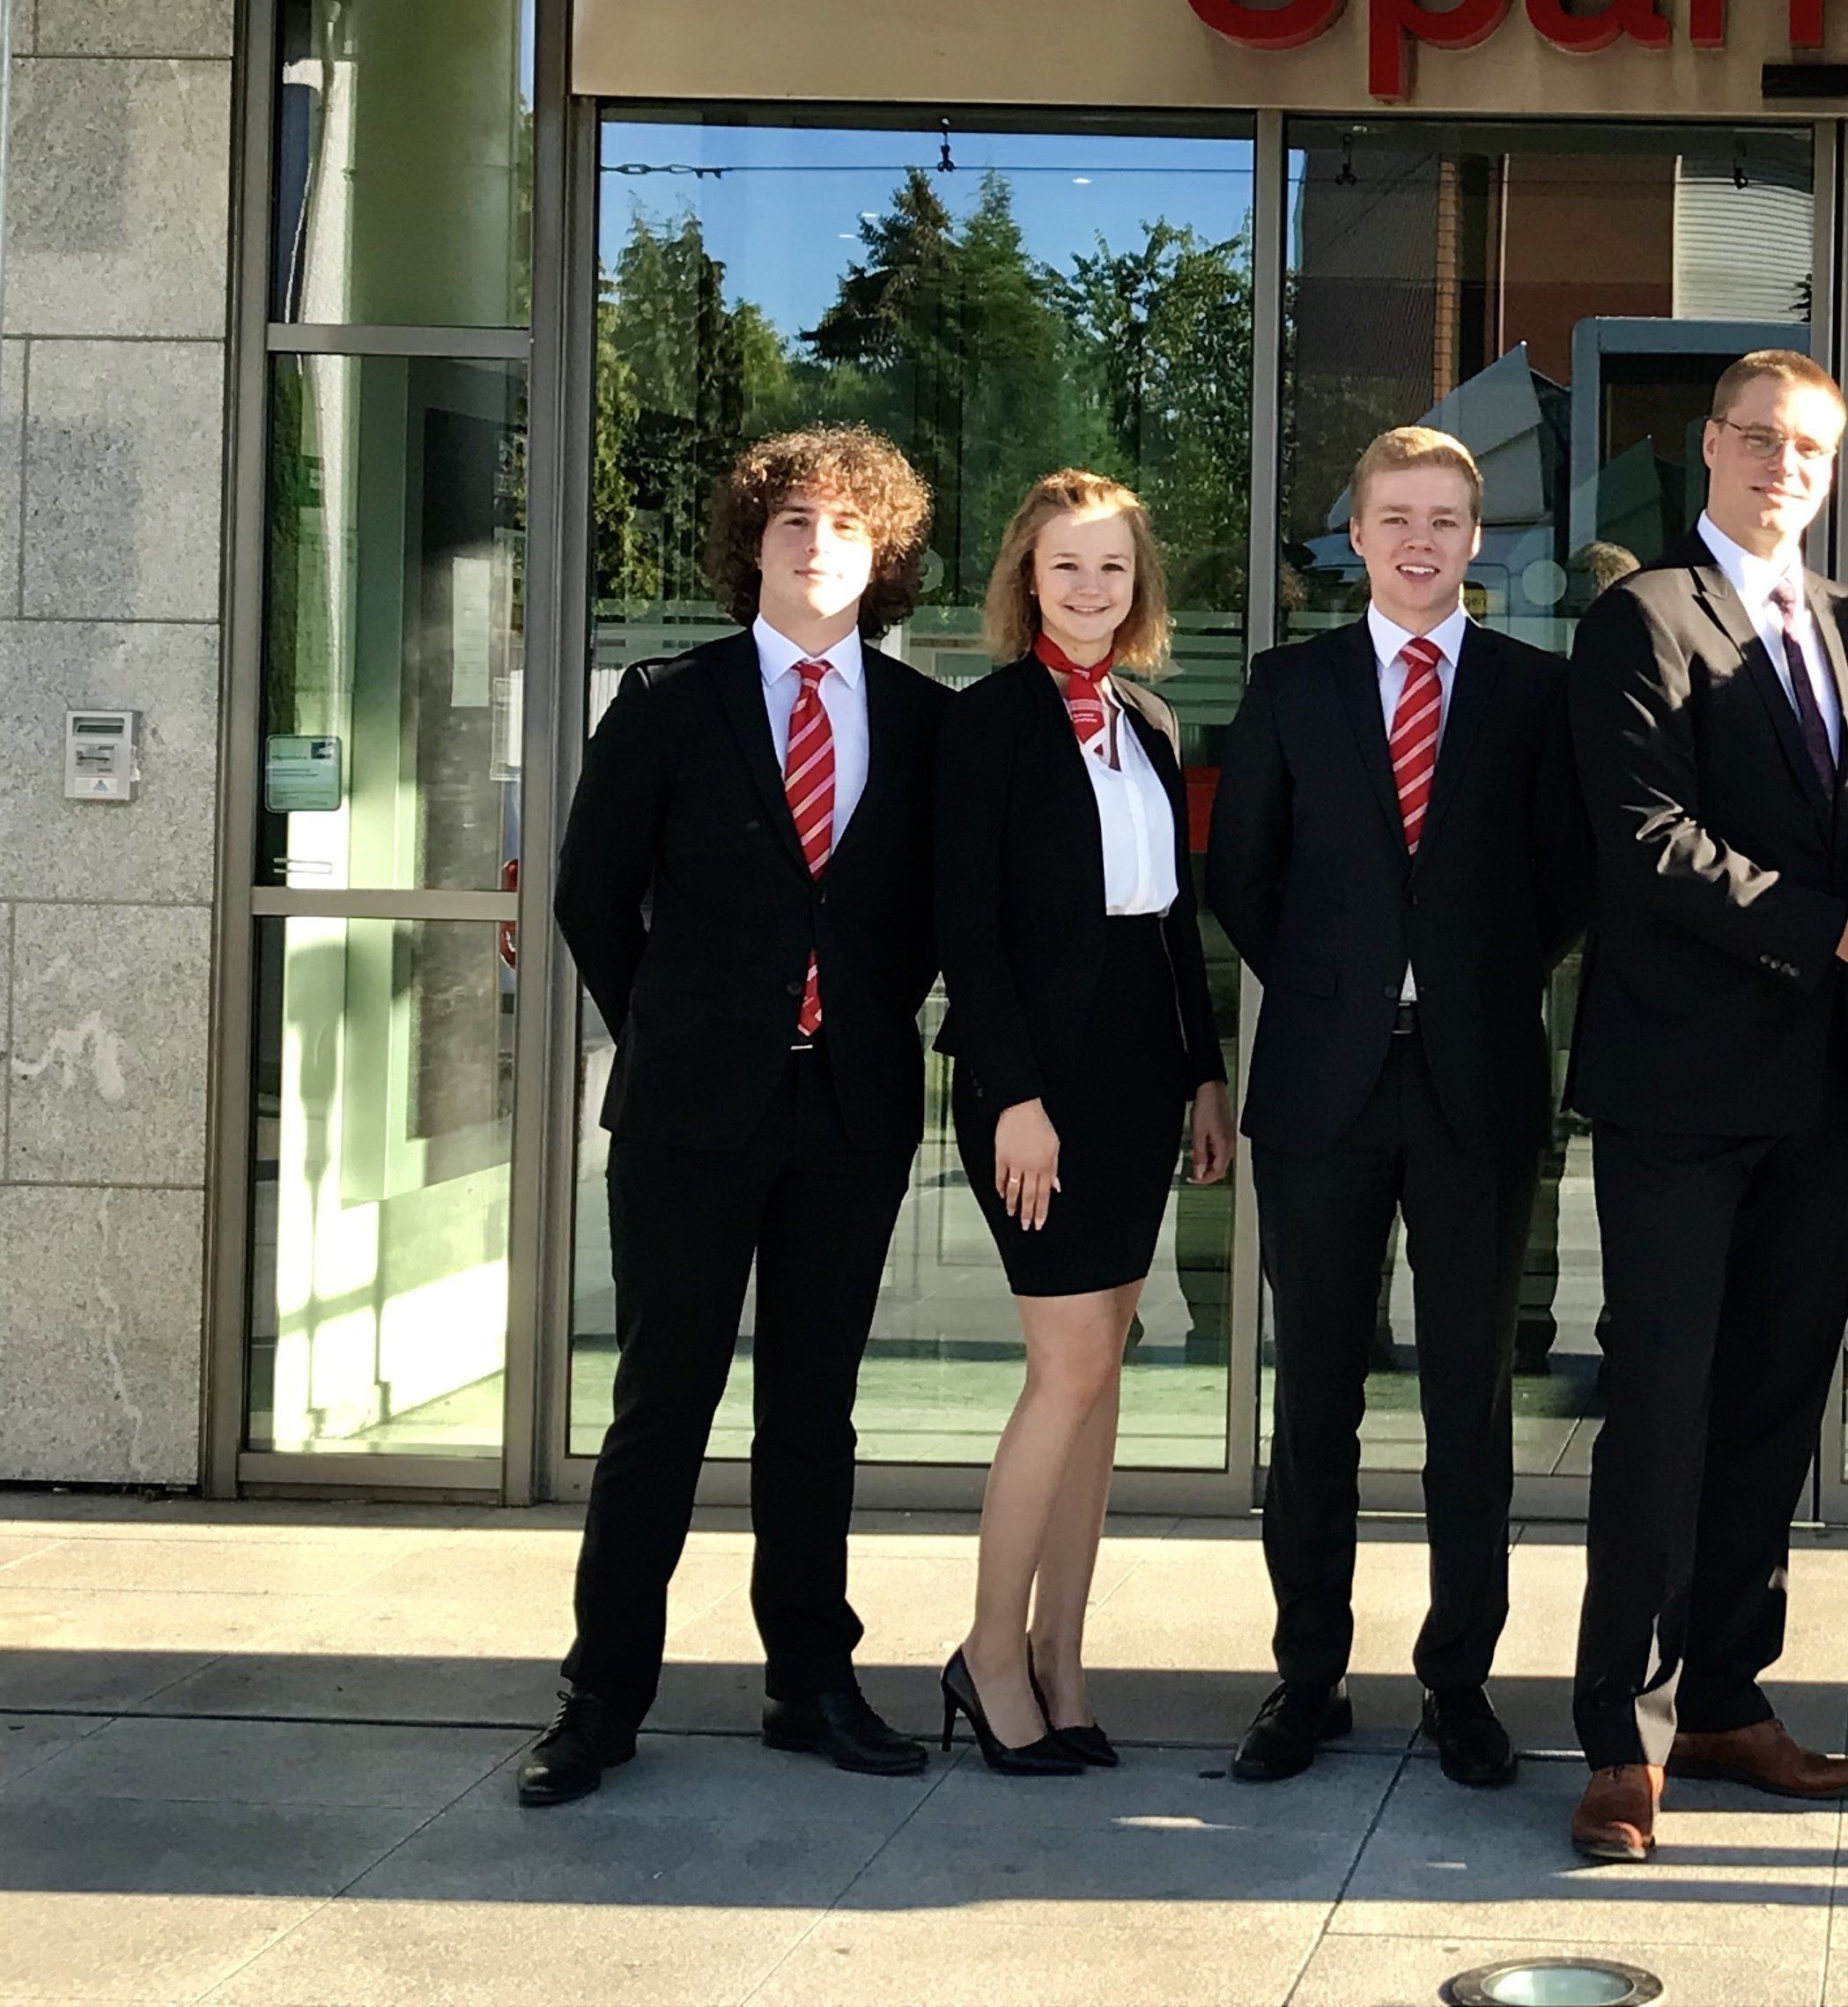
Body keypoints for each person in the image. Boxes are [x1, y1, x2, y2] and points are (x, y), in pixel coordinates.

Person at [527, 427, 948, 1806]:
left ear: (884, 555)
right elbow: (591, 896)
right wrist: (676, 1025)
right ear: (752, 546)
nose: (817, 544)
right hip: (689, 1116)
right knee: (662, 1406)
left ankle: (809, 1682)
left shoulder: (926, 719)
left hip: (849, 1110)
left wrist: (853, 1017)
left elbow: (928, 918)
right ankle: (602, 1698)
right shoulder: (668, 700)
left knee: (814, 1416)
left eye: (846, 525)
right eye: (793, 522)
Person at [1206, 426, 1593, 1791]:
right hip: (1324, 1085)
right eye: (1395, 518)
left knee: (1467, 1407)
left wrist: (1476, 982)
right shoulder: (1291, 686)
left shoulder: (1536, 693)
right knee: (1315, 1400)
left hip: (1475, 1079)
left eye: (1443, 520)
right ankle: (1308, 1677)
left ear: (1476, 540)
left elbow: (1569, 879)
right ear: (1357, 537)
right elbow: (1240, 875)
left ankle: (1459, 1682)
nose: (1419, 541)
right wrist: (1341, 987)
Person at [1560, 348, 1848, 1863]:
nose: (1782, 466)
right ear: (1708, 446)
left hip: (1820, 1083)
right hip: (1681, 1085)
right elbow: (1647, 837)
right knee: (1662, 1407)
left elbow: (1841, 825)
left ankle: (1724, 1699)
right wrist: (1834, 927)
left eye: (1808, 449)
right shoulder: (1641, 615)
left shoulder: (1837, 618)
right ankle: (1620, 1743)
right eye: (1759, 437)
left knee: (1771, 1402)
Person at [933, 470, 1233, 1774]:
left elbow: (1172, 924)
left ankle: (1062, 1656)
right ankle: (988, 1653)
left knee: (1102, 1372)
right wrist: (1015, 1097)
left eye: (1113, 566)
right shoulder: (986, 720)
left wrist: (1205, 1076)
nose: (1091, 587)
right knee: (1064, 1369)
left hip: (1140, 1073)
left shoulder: (1149, 721)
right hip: (1036, 1084)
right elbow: (966, 926)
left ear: (1138, 584)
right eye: (1067, 565)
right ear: (1027, 577)